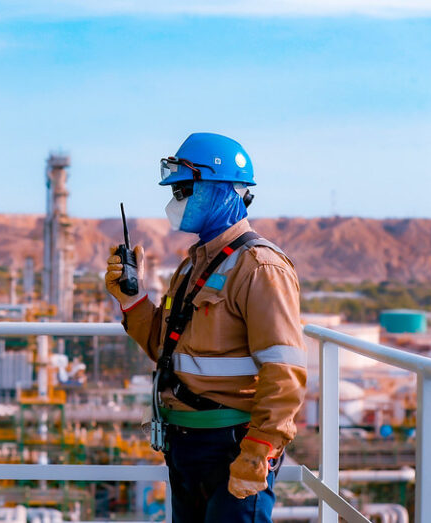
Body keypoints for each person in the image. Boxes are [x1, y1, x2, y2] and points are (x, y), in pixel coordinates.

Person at [105, 133, 306, 522]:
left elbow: (285, 375)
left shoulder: (260, 268)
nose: (175, 201)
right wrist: (131, 300)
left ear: (223, 191)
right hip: (186, 445)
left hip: (231, 445)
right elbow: (168, 350)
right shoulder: (194, 263)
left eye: (183, 190)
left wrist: (258, 450)